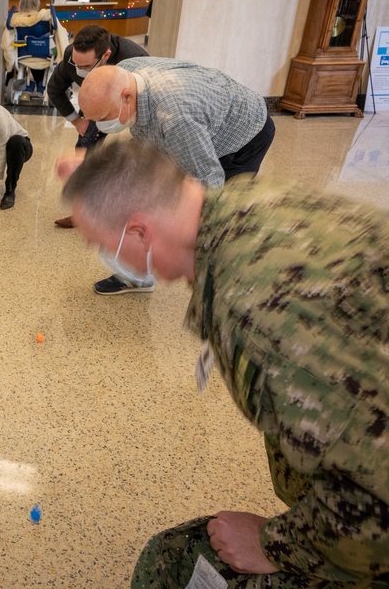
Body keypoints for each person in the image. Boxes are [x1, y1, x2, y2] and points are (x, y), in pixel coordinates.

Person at [60, 140, 389, 589]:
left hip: (369, 527)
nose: (110, 259)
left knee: (175, 564)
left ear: (139, 233)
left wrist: (273, 543)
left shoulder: (259, 316)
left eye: (103, 244)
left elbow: (377, 505)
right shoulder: (246, 198)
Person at [74, 57, 275, 295]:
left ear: (127, 97)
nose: (101, 126)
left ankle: (224, 284)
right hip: (200, 120)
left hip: (243, 134)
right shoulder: (123, 73)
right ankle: (137, 277)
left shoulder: (175, 119)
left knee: (222, 210)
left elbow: (209, 181)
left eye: (104, 118)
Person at [46, 25, 148, 229]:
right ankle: (82, 211)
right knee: (84, 150)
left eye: (85, 67)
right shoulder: (71, 57)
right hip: (97, 108)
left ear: (106, 56)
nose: (79, 69)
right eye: (76, 64)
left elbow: (148, 100)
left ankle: (137, 216)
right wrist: (77, 120)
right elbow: (54, 89)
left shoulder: (135, 60)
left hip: (136, 108)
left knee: (143, 158)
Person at [1, 0, 69, 94]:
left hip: (21, 56)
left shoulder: (14, 20)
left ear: (21, 3)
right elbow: (61, 35)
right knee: (49, 46)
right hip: (46, 56)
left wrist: (9, 64)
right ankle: (41, 84)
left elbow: (7, 41)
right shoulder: (47, 17)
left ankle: (28, 85)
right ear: (37, 3)